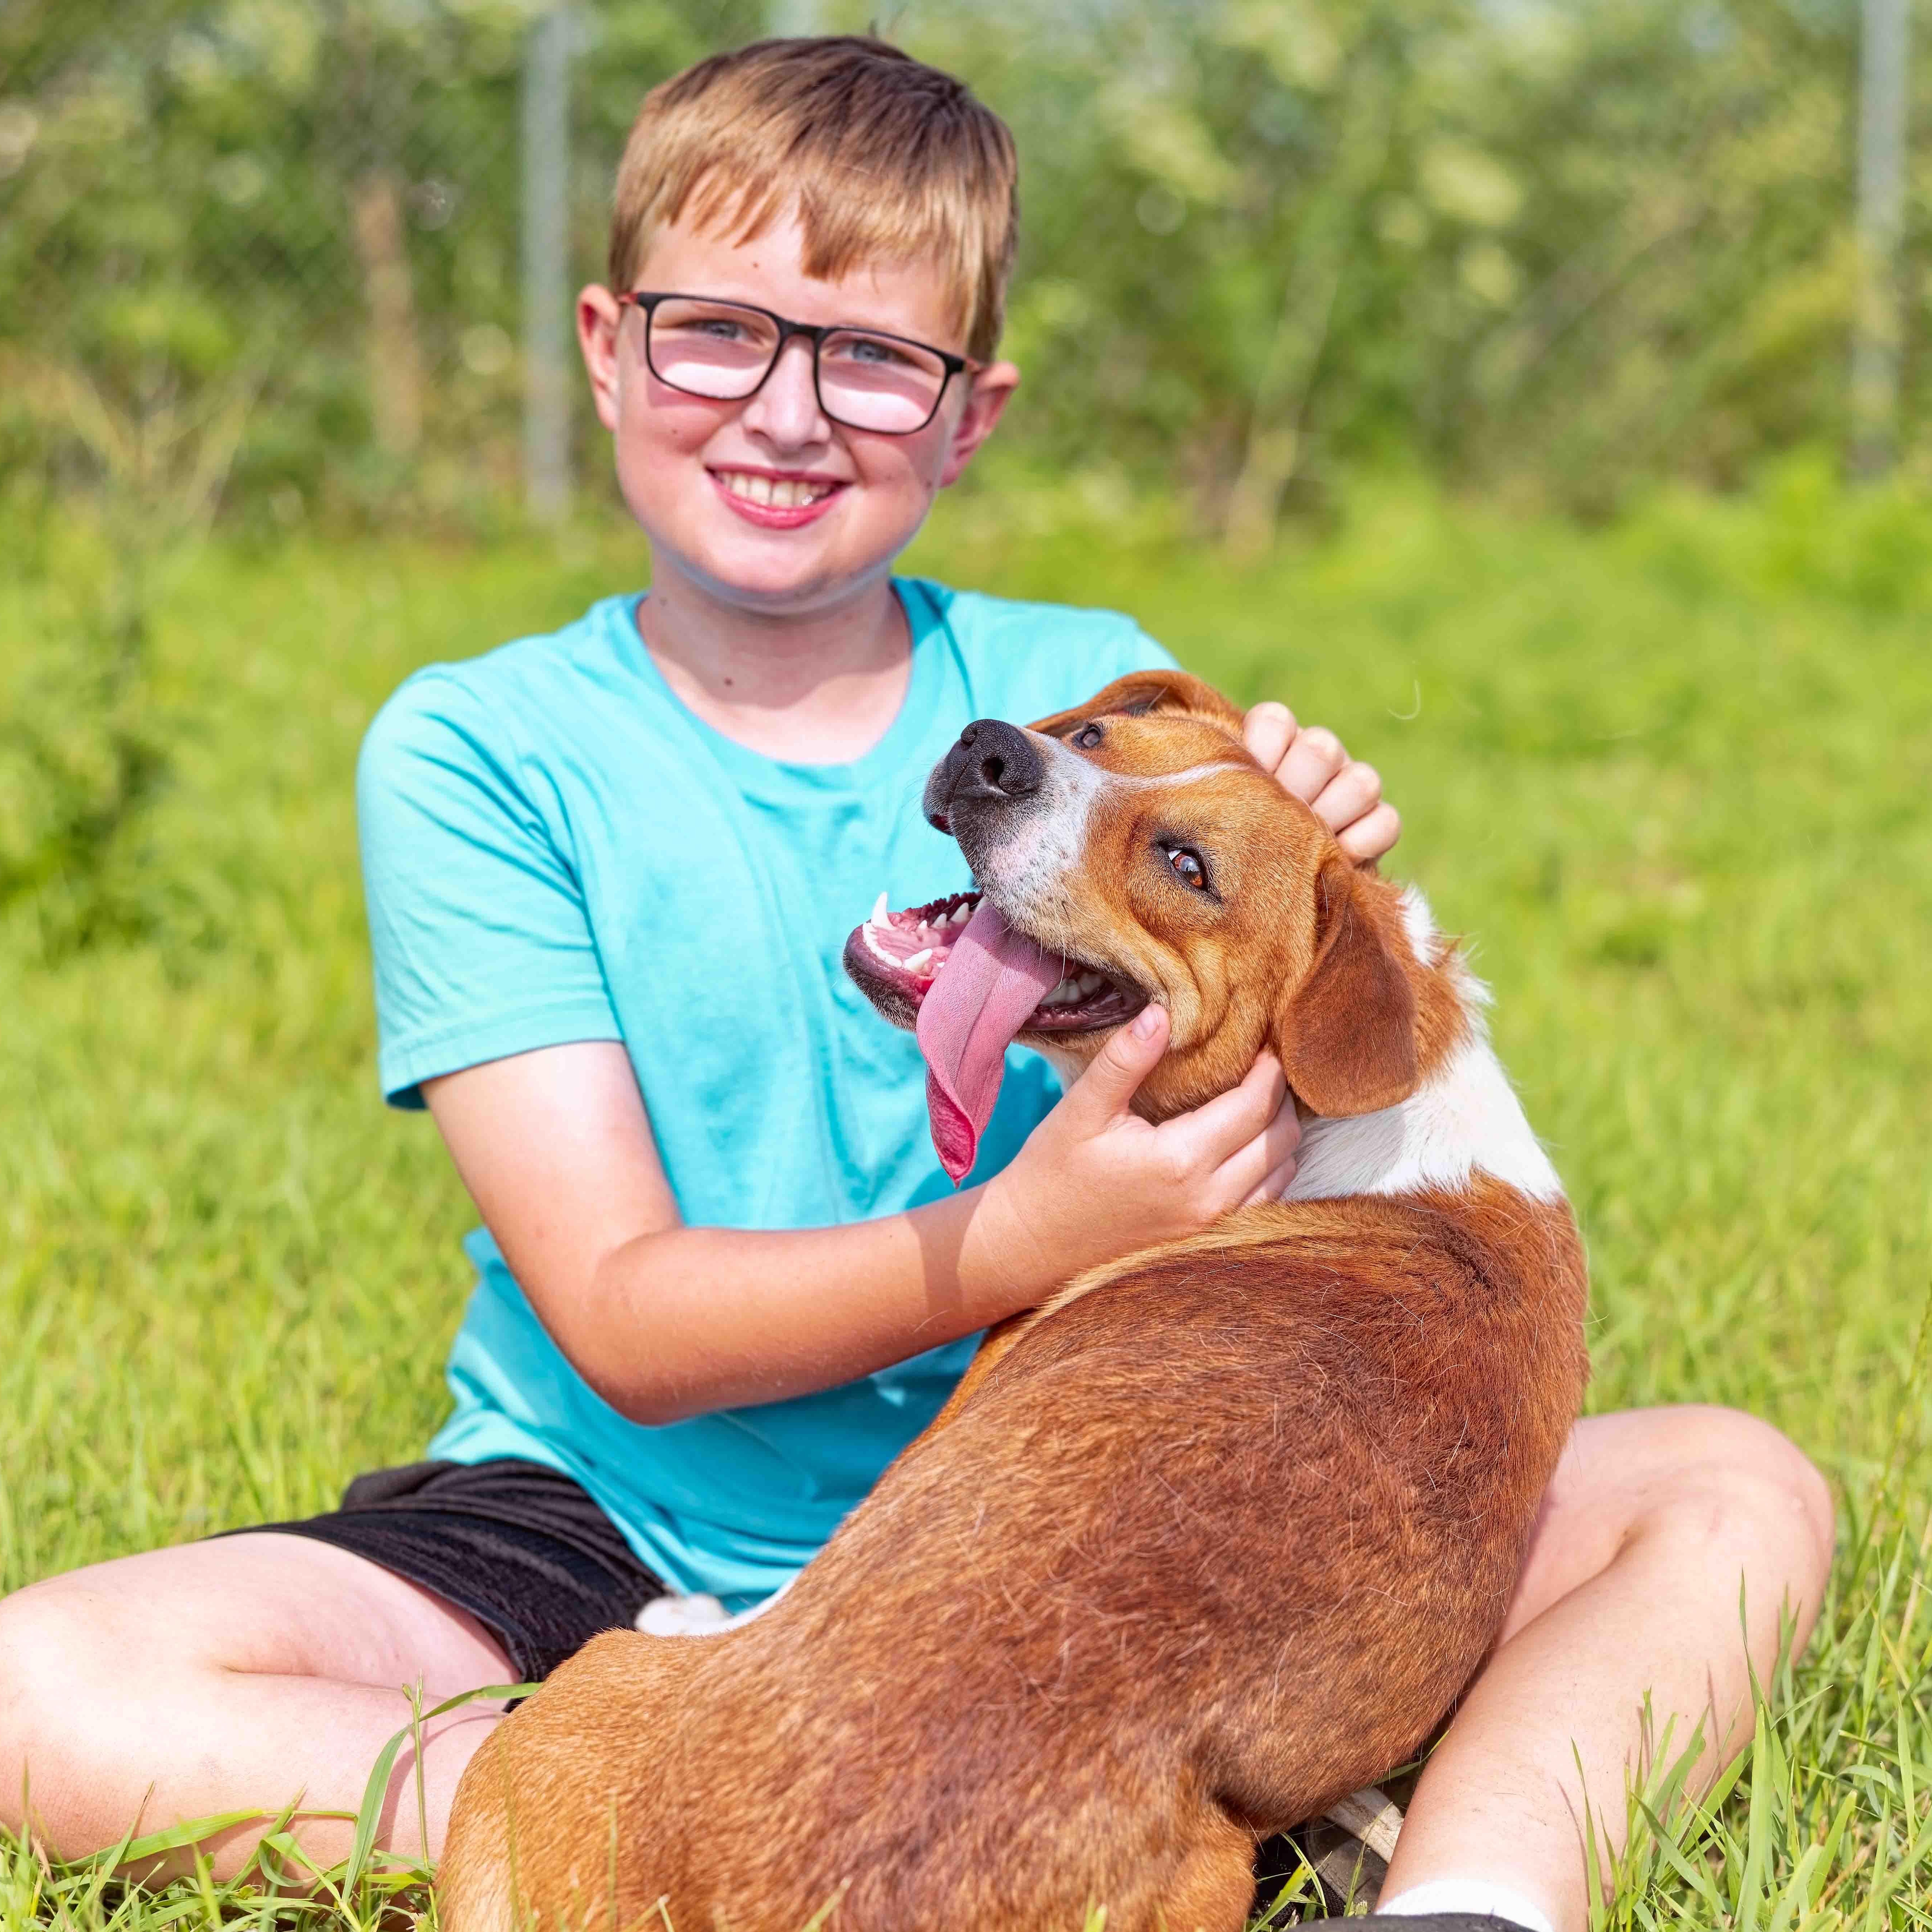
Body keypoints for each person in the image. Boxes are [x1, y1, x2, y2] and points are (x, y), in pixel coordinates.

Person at [0, 36, 1832, 1932]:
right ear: (608, 344)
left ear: (970, 412)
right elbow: (620, 1315)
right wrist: (1029, 1234)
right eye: (721, 330)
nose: (788, 410)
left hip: (1127, 1539)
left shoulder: (1095, 682)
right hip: (614, 1531)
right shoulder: (481, 749)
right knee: (38, 1688)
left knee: (1730, 1485)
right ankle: (730, 1808)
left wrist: (1339, 881)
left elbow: (1298, 1088)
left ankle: (1468, 1894)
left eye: (873, 356)